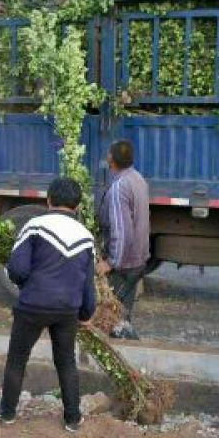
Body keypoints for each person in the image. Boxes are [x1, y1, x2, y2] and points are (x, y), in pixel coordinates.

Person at [0, 176, 96, 432]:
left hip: (32, 306)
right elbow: (87, 285)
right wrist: (85, 314)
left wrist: (26, 286)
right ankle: (73, 419)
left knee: (17, 359)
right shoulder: (86, 237)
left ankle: (7, 413)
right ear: (77, 206)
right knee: (66, 362)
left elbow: (17, 268)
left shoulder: (34, 226)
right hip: (67, 311)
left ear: (48, 200)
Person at [96, 139, 150, 339]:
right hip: (137, 261)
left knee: (111, 319)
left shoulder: (120, 186)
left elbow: (121, 230)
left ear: (111, 158)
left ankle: (129, 351)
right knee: (122, 315)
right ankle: (128, 348)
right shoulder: (137, 178)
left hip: (123, 265)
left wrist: (110, 263)